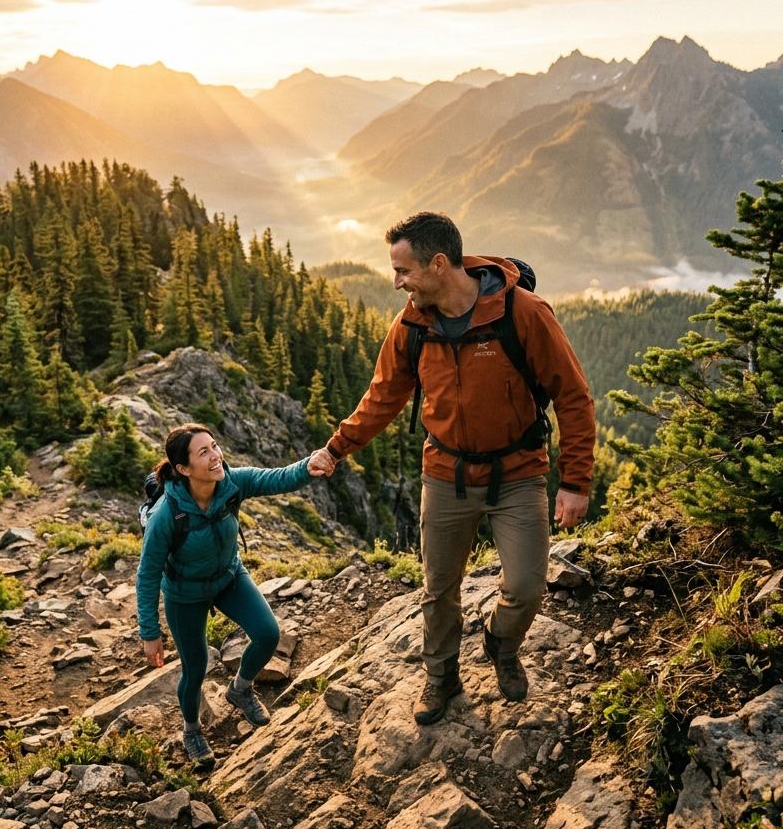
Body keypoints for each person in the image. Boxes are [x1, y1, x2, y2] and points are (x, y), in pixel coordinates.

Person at [310, 211, 595, 724]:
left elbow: (572, 396)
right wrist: (336, 448)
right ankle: (440, 676)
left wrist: (575, 482)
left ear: (439, 264)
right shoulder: (412, 326)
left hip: (519, 472)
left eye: (403, 271)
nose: (397, 283)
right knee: (439, 589)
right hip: (446, 473)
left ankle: (502, 644)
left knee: (527, 586)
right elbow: (383, 397)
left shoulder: (522, 312)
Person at [136, 423, 330, 770]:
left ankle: (240, 689)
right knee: (195, 668)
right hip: (185, 595)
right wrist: (150, 633)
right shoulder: (167, 515)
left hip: (228, 577)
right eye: (204, 452)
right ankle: (192, 730)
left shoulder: (230, 482)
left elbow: (275, 478)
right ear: (183, 468)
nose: (216, 456)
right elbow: (148, 574)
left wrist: (307, 466)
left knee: (269, 633)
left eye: (215, 446)